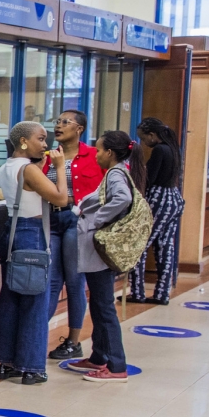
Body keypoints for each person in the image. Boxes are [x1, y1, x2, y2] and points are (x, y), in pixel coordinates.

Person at [0, 122, 69, 385]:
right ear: (23, 141)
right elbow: (61, 198)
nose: (45, 145)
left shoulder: (6, 167)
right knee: (36, 301)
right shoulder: (29, 169)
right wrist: (60, 167)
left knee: (11, 297)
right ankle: (32, 367)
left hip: (11, 232)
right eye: (41, 138)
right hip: (32, 234)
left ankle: (7, 362)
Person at [67, 131, 146, 382]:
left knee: (104, 307)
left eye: (99, 150)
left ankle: (116, 365)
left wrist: (98, 219)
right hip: (97, 252)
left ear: (110, 153)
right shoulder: (119, 171)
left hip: (100, 251)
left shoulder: (115, 174)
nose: (96, 154)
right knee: (98, 304)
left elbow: (123, 198)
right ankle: (99, 355)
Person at [40, 110, 106, 360]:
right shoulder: (48, 156)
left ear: (79, 129)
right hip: (50, 218)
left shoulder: (94, 155)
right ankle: (37, 336)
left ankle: (73, 341)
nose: (58, 126)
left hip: (77, 220)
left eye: (65, 122)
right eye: (57, 121)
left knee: (75, 281)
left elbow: (104, 191)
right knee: (51, 280)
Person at [129, 117, 185, 304]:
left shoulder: (159, 150)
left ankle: (137, 292)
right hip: (173, 198)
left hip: (158, 199)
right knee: (165, 247)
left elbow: (150, 178)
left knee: (140, 244)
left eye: (144, 138)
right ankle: (162, 293)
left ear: (152, 135)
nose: (144, 142)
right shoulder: (173, 148)